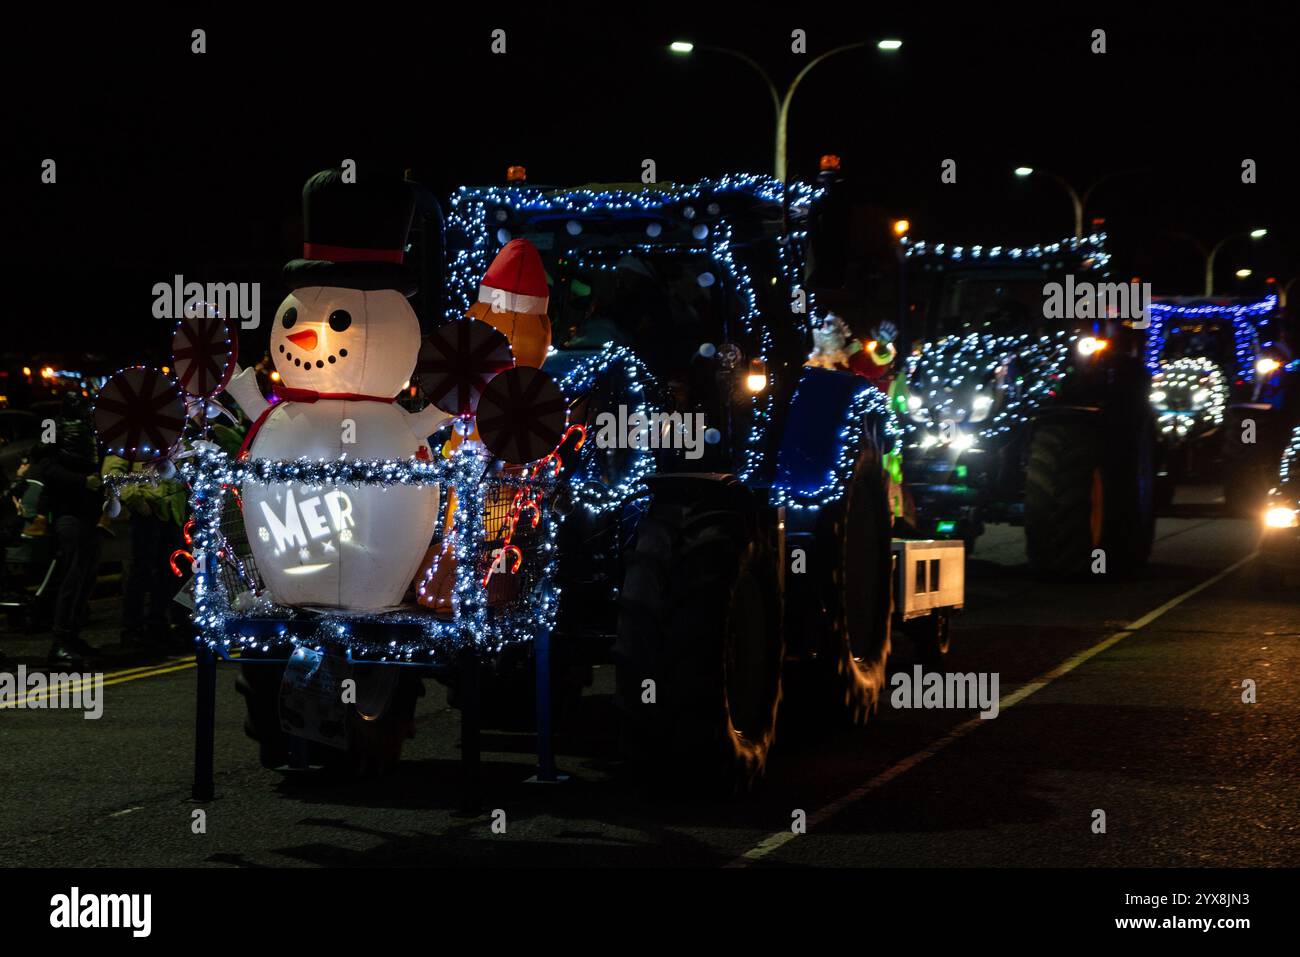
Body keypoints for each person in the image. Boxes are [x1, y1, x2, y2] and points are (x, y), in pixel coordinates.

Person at [41, 392, 104, 666]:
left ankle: (73, 634)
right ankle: (61, 640)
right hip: (68, 511)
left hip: (89, 511)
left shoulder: (92, 426)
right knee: (73, 575)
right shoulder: (51, 425)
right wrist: (82, 481)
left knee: (87, 575)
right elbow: (46, 467)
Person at [102, 453, 187, 648]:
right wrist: (135, 498)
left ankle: (157, 625)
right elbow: (112, 471)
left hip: (172, 509)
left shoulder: (174, 434)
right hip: (149, 511)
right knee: (142, 572)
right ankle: (133, 628)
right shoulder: (137, 436)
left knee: (167, 573)